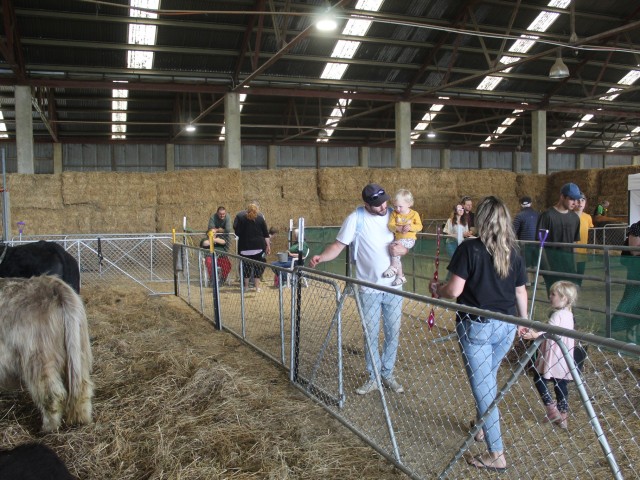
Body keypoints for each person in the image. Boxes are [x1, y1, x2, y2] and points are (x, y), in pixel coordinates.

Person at [430, 196, 528, 472]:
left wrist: (438, 289)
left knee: (484, 387)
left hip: (478, 326)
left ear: (481, 220)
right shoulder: (514, 251)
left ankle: (496, 453)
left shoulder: (469, 249)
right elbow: (520, 291)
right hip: (506, 325)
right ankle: (482, 426)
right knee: (488, 378)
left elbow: (455, 291)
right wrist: (525, 322)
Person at [310, 183, 407, 395]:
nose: (383, 207)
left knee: (393, 333)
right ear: (366, 203)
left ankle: (387, 373)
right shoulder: (356, 219)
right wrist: (322, 257)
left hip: (394, 287)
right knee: (370, 334)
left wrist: (404, 249)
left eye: (384, 202)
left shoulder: (394, 216)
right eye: (377, 204)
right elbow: (338, 246)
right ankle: (374, 377)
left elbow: (407, 242)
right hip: (368, 288)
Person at [519, 281, 578, 430]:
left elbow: (549, 331)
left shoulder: (557, 315)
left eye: (553, 294)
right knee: (561, 384)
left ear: (564, 298)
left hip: (553, 354)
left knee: (539, 378)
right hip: (564, 356)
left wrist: (534, 335)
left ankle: (551, 409)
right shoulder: (569, 314)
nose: (550, 297)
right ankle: (563, 416)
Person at [536, 182, 581, 295]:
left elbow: (574, 243)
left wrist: (574, 267)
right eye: (571, 199)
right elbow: (540, 244)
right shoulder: (547, 216)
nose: (575, 203)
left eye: (576, 199)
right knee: (555, 300)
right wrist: (547, 269)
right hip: (552, 267)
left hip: (569, 268)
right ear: (562, 196)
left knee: (569, 300)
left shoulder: (575, 218)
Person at [382, 189, 423, 286]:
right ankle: (400, 276)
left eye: (400, 206)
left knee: (394, 248)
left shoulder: (414, 214)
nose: (397, 209)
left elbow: (420, 226)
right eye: (395, 206)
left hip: (409, 239)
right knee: (396, 254)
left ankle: (393, 267)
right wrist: (397, 228)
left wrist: (410, 227)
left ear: (409, 204)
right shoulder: (394, 214)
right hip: (398, 238)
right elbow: (390, 225)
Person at [611, 220, 640, 343]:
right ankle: (631, 332)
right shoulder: (636, 228)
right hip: (636, 274)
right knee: (632, 303)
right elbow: (632, 252)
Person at [233, 203, 271, 292]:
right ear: (256, 210)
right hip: (258, 247)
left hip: (244, 248)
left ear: (247, 210)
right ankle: (257, 287)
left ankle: (246, 287)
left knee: (246, 267)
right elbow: (266, 234)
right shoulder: (260, 219)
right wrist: (268, 246)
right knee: (258, 267)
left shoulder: (241, 218)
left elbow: (237, 232)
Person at [513, 196, 539, 286]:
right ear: (531, 203)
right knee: (535, 262)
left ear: (520, 204)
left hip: (524, 243)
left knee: (525, 262)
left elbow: (513, 231)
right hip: (536, 243)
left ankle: (527, 281)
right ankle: (535, 281)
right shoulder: (537, 215)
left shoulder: (519, 216)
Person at [575, 193, 594, 287]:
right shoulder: (568, 215)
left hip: (582, 252)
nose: (580, 202)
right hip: (569, 252)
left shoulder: (587, 217)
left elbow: (589, 231)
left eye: (582, 200)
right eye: (578, 200)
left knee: (579, 276)